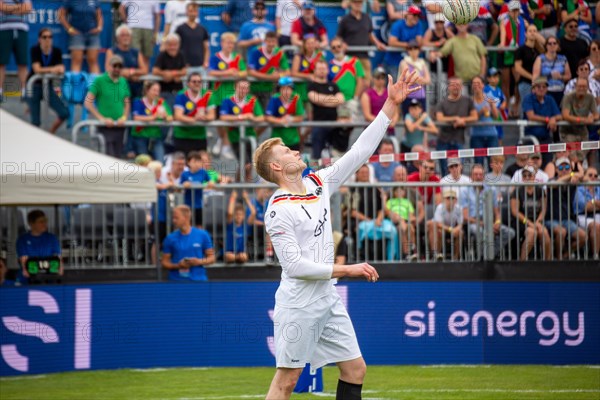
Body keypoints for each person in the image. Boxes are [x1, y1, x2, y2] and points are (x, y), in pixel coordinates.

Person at [255, 70, 420, 400]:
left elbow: (359, 152)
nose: (295, 151)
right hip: (299, 303)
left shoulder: (318, 183)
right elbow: (296, 267)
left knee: (355, 369)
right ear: (276, 168)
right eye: (287, 151)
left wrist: (388, 106)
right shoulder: (277, 209)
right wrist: (349, 269)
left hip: (326, 297)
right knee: (287, 381)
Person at [461, 164, 515, 260]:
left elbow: (497, 212)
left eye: (480, 175)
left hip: (490, 221)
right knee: (481, 232)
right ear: (471, 177)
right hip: (474, 222)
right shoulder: (465, 191)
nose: (478, 177)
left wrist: (497, 222)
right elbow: (465, 217)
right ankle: (486, 257)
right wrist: (485, 225)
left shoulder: (491, 189)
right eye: (475, 174)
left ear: (484, 176)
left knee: (510, 233)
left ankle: (488, 254)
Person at [208, 32, 248, 160]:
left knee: (230, 121)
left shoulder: (237, 57)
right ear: (222, 43)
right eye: (228, 42)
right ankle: (222, 140)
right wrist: (227, 73)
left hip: (232, 95)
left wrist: (237, 75)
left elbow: (244, 72)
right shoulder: (215, 57)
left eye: (232, 43)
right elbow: (211, 72)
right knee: (219, 120)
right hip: (219, 94)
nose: (230, 45)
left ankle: (226, 144)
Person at [85, 55, 131, 158]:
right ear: (109, 66)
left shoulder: (123, 81)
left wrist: (124, 117)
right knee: (108, 157)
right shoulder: (99, 80)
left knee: (117, 157)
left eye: (120, 66)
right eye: (115, 66)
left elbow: (127, 102)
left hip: (119, 126)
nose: (117, 69)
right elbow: (88, 102)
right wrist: (102, 118)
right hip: (105, 127)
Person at [27, 28, 69, 133]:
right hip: (35, 86)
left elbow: (61, 69)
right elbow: (37, 69)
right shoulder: (35, 49)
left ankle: (50, 133)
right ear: (39, 39)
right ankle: (36, 140)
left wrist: (46, 71)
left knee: (64, 113)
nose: (47, 39)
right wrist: (52, 69)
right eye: (44, 37)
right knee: (35, 122)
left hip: (48, 86)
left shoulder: (56, 51)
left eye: (50, 37)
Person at [545, 157, 587, 260]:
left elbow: (587, 179)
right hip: (551, 219)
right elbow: (555, 184)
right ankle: (559, 259)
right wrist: (572, 174)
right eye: (561, 168)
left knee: (583, 237)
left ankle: (565, 255)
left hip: (566, 219)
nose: (564, 170)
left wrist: (578, 175)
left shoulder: (572, 180)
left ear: (570, 169)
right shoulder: (552, 180)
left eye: (567, 167)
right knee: (561, 232)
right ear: (556, 170)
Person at [434, 77, 478, 175]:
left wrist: (463, 120)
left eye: (458, 85)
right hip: (443, 141)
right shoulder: (442, 103)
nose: (455, 87)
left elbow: (474, 117)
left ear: (462, 87)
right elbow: (439, 118)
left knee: (458, 171)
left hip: (459, 140)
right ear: (448, 87)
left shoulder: (468, 101)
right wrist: (455, 119)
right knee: (445, 171)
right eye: (453, 85)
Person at [337, 0, 387, 84]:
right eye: (355, 2)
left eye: (360, 2)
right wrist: (342, 43)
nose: (357, 4)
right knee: (350, 82)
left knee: (367, 82)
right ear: (351, 3)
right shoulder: (345, 19)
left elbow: (370, 34)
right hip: (349, 57)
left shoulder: (367, 18)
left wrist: (378, 43)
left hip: (364, 56)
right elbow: (338, 37)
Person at [161, 205, 215, 281]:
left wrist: (198, 261)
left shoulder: (203, 235)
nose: (174, 220)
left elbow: (212, 258)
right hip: (176, 282)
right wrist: (178, 266)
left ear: (186, 218)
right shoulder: (170, 238)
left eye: (176, 218)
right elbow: (164, 262)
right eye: (173, 218)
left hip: (198, 281)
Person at [510, 165, 552, 260]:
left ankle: (548, 261)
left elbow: (543, 209)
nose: (527, 178)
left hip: (536, 220)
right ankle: (522, 261)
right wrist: (528, 222)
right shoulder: (517, 191)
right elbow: (515, 211)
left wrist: (538, 221)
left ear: (534, 176)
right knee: (532, 232)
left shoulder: (540, 190)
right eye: (524, 176)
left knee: (543, 231)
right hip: (521, 222)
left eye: (530, 175)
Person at [219, 78, 265, 163]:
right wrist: (241, 117)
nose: (243, 90)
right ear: (235, 87)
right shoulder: (227, 100)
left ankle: (240, 176)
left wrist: (253, 118)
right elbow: (223, 117)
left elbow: (261, 118)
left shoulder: (252, 100)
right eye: (241, 88)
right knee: (245, 165)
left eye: (246, 88)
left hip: (250, 134)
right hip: (235, 137)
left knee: (249, 165)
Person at [308, 59, 346, 161]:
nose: (321, 71)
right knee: (317, 157)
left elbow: (341, 99)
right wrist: (333, 101)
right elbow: (314, 98)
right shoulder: (312, 86)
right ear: (314, 71)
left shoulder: (333, 85)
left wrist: (323, 100)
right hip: (319, 125)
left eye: (324, 68)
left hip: (334, 125)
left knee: (335, 157)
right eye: (319, 68)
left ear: (328, 70)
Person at [173, 72, 217, 154]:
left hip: (199, 136)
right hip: (182, 135)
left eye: (199, 82)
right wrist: (194, 119)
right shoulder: (181, 94)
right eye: (194, 81)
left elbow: (212, 115)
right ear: (188, 83)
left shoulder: (208, 95)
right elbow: (178, 116)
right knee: (184, 165)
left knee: (201, 164)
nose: (197, 84)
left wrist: (204, 117)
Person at [522, 77, 562, 163]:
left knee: (548, 162)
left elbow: (559, 115)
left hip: (546, 137)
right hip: (530, 138)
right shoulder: (528, 98)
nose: (541, 89)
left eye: (544, 87)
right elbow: (531, 116)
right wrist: (548, 119)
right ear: (533, 88)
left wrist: (553, 118)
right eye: (538, 87)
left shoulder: (549, 99)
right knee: (532, 163)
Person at [17, 209, 63, 283]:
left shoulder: (51, 238)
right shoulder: (23, 239)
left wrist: (59, 269)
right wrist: (26, 270)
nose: (45, 224)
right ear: (31, 223)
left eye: (45, 221)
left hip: (49, 277)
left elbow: (57, 256)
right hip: (28, 279)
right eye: (41, 222)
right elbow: (23, 259)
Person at [248, 31, 290, 111]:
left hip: (270, 89)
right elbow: (251, 72)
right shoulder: (256, 51)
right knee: (254, 113)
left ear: (276, 42)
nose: (271, 44)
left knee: (268, 114)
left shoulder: (280, 53)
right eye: (269, 41)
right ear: (265, 41)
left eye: (273, 41)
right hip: (254, 88)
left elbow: (287, 72)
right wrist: (269, 77)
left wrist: (279, 76)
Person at [560, 77, 599, 162]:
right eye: (580, 86)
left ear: (588, 87)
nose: (582, 88)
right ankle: (573, 174)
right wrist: (583, 120)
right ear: (575, 86)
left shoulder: (590, 97)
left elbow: (596, 115)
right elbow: (565, 115)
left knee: (580, 158)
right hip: (568, 131)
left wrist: (592, 118)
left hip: (582, 131)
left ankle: (579, 174)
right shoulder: (568, 97)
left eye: (584, 86)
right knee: (573, 158)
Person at [132, 81, 172, 162]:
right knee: (144, 163)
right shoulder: (138, 101)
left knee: (161, 162)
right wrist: (154, 117)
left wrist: (166, 117)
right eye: (154, 90)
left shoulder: (161, 102)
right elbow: (136, 118)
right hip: (141, 136)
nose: (156, 93)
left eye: (158, 91)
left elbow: (170, 117)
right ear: (147, 90)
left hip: (156, 137)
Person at [105, 24, 148, 99]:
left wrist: (130, 72)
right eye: (123, 35)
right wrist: (129, 76)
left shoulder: (136, 52)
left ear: (131, 37)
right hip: (118, 87)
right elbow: (109, 70)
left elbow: (144, 70)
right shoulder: (112, 51)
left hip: (136, 88)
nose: (125, 37)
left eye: (127, 35)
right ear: (117, 38)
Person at [0, 0, 32, 101]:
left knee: (23, 63)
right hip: (3, 29)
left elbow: (28, 8)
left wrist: (9, 9)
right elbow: (1, 7)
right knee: (1, 63)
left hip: (21, 30)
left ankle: (24, 92)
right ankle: (0, 92)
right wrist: (19, 7)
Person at [58, 0, 102, 74]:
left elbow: (99, 14)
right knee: (77, 61)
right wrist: (70, 29)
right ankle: (76, 84)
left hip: (92, 34)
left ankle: (95, 85)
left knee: (93, 60)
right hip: (77, 35)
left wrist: (99, 27)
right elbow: (61, 15)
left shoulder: (94, 1)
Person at [328, 37, 365, 122]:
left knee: (351, 125)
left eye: (339, 46)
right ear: (331, 50)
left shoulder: (354, 61)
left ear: (343, 46)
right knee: (338, 127)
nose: (337, 49)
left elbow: (360, 81)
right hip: (336, 101)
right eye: (334, 47)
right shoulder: (329, 65)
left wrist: (355, 98)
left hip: (351, 100)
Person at [498, 0, 527, 103]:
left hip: (518, 52)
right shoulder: (504, 21)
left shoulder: (523, 22)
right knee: (505, 81)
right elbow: (503, 33)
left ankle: (517, 104)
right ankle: (506, 105)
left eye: (517, 10)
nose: (515, 13)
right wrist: (502, 43)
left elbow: (529, 31)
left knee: (518, 80)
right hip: (506, 53)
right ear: (509, 11)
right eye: (513, 10)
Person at [266, 77, 305, 150]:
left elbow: (300, 117)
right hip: (277, 140)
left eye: (288, 88)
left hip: (293, 139)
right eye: (283, 88)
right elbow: (268, 117)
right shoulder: (274, 98)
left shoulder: (296, 97)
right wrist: (280, 121)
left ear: (292, 89)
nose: (286, 91)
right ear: (279, 90)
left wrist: (290, 119)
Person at [385, 6, 424, 80]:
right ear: (407, 14)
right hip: (395, 62)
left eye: (418, 15)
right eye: (414, 15)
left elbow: (419, 42)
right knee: (394, 87)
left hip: (410, 63)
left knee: (409, 88)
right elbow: (391, 42)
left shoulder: (418, 24)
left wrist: (412, 45)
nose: (416, 17)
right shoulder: (398, 24)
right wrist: (408, 45)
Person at [514, 24, 545, 116]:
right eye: (530, 31)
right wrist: (532, 77)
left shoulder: (539, 50)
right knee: (526, 107)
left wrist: (538, 38)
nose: (532, 33)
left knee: (538, 107)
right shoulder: (521, 50)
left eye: (535, 31)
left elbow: (547, 44)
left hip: (539, 83)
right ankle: (523, 129)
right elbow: (518, 68)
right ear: (526, 34)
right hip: (525, 83)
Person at [118, 0, 161, 66]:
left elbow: (157, 16)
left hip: (148, 27)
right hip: (134, 27)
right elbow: (121, 8)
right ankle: (136, 72)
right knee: (134, 52)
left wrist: (156, 33)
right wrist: (127, 21)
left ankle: (145, 73)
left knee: (147, 53)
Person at [384, 184, 422, 260]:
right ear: (394, 193)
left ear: (404, 192)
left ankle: (408, 254)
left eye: (401, 191)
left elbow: (410, 215)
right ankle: (412, 248)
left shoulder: (407, 202)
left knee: (409, 227)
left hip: (405, 222)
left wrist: (411, 219)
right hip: (393, 221)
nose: (399, 192)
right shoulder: (390, 201)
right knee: (401, 221)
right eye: (397, 191)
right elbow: (386, 211)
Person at [532, 36, 571, 107]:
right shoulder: (540, 58)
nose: (552, 45)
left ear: (558, 46)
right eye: (549, 44)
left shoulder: (563, 58)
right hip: (546, 91)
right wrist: (549, 75)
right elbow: (535, 77)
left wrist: (560, 77)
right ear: (546, 46)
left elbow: (568, 76)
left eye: (554, 43)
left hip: (560, 90)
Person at [152, 33, 187, 107]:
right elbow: (155, 70)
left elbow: (184, 71)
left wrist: (172, 74)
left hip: (178, 91)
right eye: (170, 45)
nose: (172, 47)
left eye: (175, 45)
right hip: (164, 91)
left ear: (178, 45)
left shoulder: (181, 55)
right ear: (166, 45)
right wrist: (164, 73)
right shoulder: (162, 55)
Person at [361, 68, 398, 138]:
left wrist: (393, 121)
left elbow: (395, 113)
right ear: (373, 79)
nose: (381, 80)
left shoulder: (389, 93)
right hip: (373, 129)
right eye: (378, 78)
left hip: (388, 129)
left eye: (383, 78)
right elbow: (367, 115)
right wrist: (384, 123)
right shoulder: (367, 94)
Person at [471, 75, 500, 164]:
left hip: (491, 135)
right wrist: (481, 112)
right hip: (476, 136)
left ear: (483, 85)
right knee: (478, 164)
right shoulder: (470, 100)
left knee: (493, 163)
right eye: (474, 83)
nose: (476, 85)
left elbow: (496, 116)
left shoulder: (488, 97)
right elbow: (471, 119)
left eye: (478, 83)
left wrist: (492, 105)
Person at [428, 190, 464, 260]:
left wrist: (456, 229)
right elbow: (438, 224)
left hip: (452, 229)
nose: (450, 200)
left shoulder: (459, 208)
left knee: (460, 233)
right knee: (438, 230)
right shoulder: (440, 207)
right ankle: (437, 255)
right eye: (448, 198)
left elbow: (460, 224)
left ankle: (456, 257)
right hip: (441, 228)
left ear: (456, 200)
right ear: (444, 200)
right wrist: (451, 229)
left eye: (452, 198)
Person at [574, 166, 600, 260]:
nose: (593, 177)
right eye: (590, 175)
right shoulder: (579, 189)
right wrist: (595, 202)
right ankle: (595, 256)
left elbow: (590, 205)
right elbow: (585, 207)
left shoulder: (599, 188)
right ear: (585, 176)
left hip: (597, 215)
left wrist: (591, 202)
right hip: (583, 216)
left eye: (595, 175)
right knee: (595, 226)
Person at [398, 40, 430, 116]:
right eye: (410, 49)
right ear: (408, 51)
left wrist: (417, 79)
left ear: (419, 50)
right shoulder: (404, 62)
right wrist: (421, 79)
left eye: (415, 48)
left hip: (421, 96)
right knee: (407, 120)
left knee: (421, 121)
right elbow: (409, 78)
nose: (413, 51)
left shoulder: (422, 62)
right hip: (408, 96)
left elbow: (428, 80)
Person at [181, 151, 212, 227]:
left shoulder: (203, 172)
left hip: (199, 205)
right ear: (188, 163)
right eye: (194, 161)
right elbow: (180, 187)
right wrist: (184, 185)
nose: (197, 164)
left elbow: (210, 181)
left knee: (199, 225)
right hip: (188, 205)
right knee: (188, 225)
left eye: (199, 161)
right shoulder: (185, 174)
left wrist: (210, 183)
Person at [225, 190, 256, 263]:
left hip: (241, 253)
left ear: (244, 216)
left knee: (244, 257)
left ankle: (237, 258)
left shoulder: (246, 226)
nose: (238, 216)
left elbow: (253, 213)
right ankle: (236, 258)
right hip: (230, 252)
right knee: (228, 256)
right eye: (237, 214)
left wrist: (246, 198)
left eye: (240, 214)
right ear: (234, 216)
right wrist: (233, 198)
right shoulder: (230, 224)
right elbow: (230, 213)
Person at [176, 2, 210, 69]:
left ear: (198, 13)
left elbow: (206, 48)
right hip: (184, 67)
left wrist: (205, 62)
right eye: (190, 11)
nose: (193, 13)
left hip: (200, 66)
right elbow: (176, 48)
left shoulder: (202, 29)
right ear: (186, 12)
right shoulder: (180, 29)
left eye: (195, 11)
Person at [483, 68, 508, 144]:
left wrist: (503, 105)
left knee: (499, 134)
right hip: (490, 116)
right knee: (491, 134)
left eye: (497, 77)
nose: (496, 79)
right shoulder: (486, 89)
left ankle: (500, 152)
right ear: (488, 78)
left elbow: (504, 99)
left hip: (499, 115)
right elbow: (484, 100)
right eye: (493, 77)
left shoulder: (499, 90)